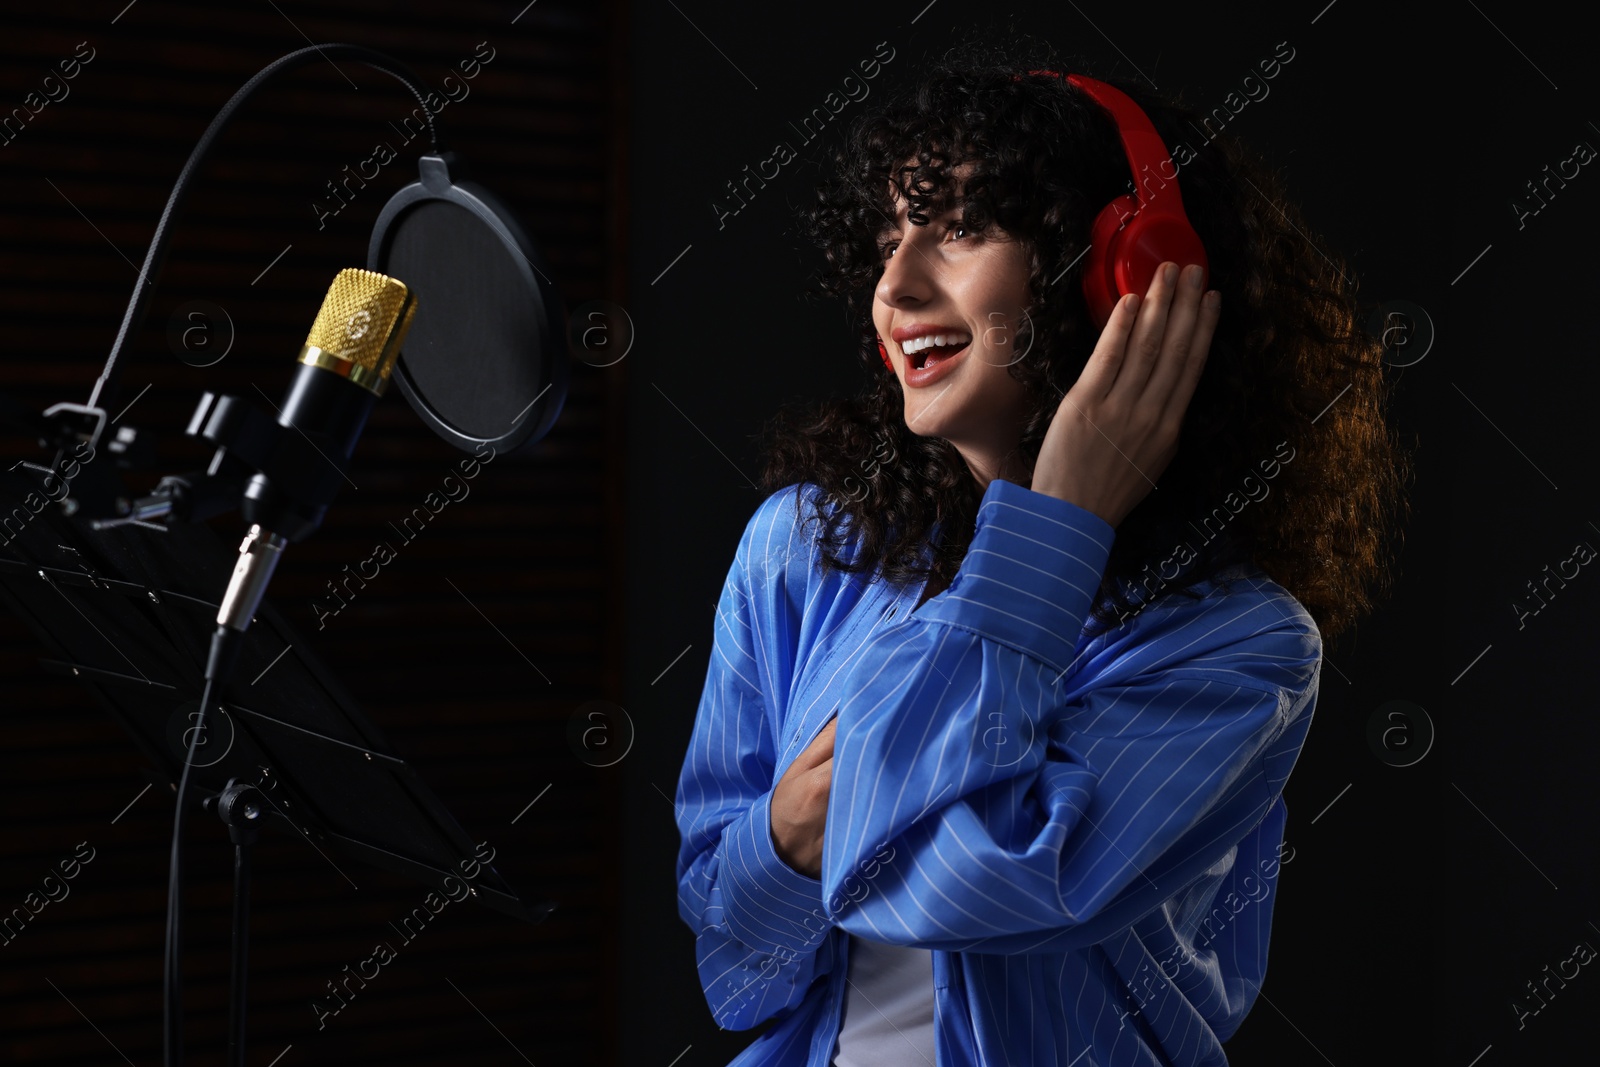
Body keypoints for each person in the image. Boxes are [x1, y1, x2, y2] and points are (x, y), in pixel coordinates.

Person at [673, 39, 1411, 1067]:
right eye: (889, 236)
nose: (894, 288)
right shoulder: (800, 551)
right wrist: (781, 843)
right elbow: (732, 964)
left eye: (962, 229)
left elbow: (968, 888)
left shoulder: (1241, 645)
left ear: (1125, 273)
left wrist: (1054, 525)